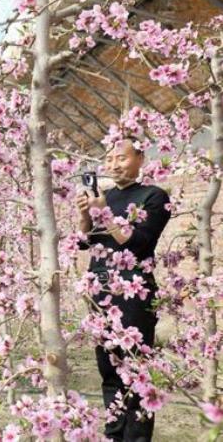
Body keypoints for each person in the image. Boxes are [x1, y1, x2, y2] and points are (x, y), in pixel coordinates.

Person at [75, 138, 170, 442]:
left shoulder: (153, 196)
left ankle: (137, 438)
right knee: (109, 367)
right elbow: (86, 241)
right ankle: (114, 434)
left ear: (141, 158)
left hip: (134, 289)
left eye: (122, 158)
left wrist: (104, 211)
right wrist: (85, 216)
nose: (115, 164)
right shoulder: (105, 196)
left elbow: (139, 243)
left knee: (136, 369)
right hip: (99, 286)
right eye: (110, 159)